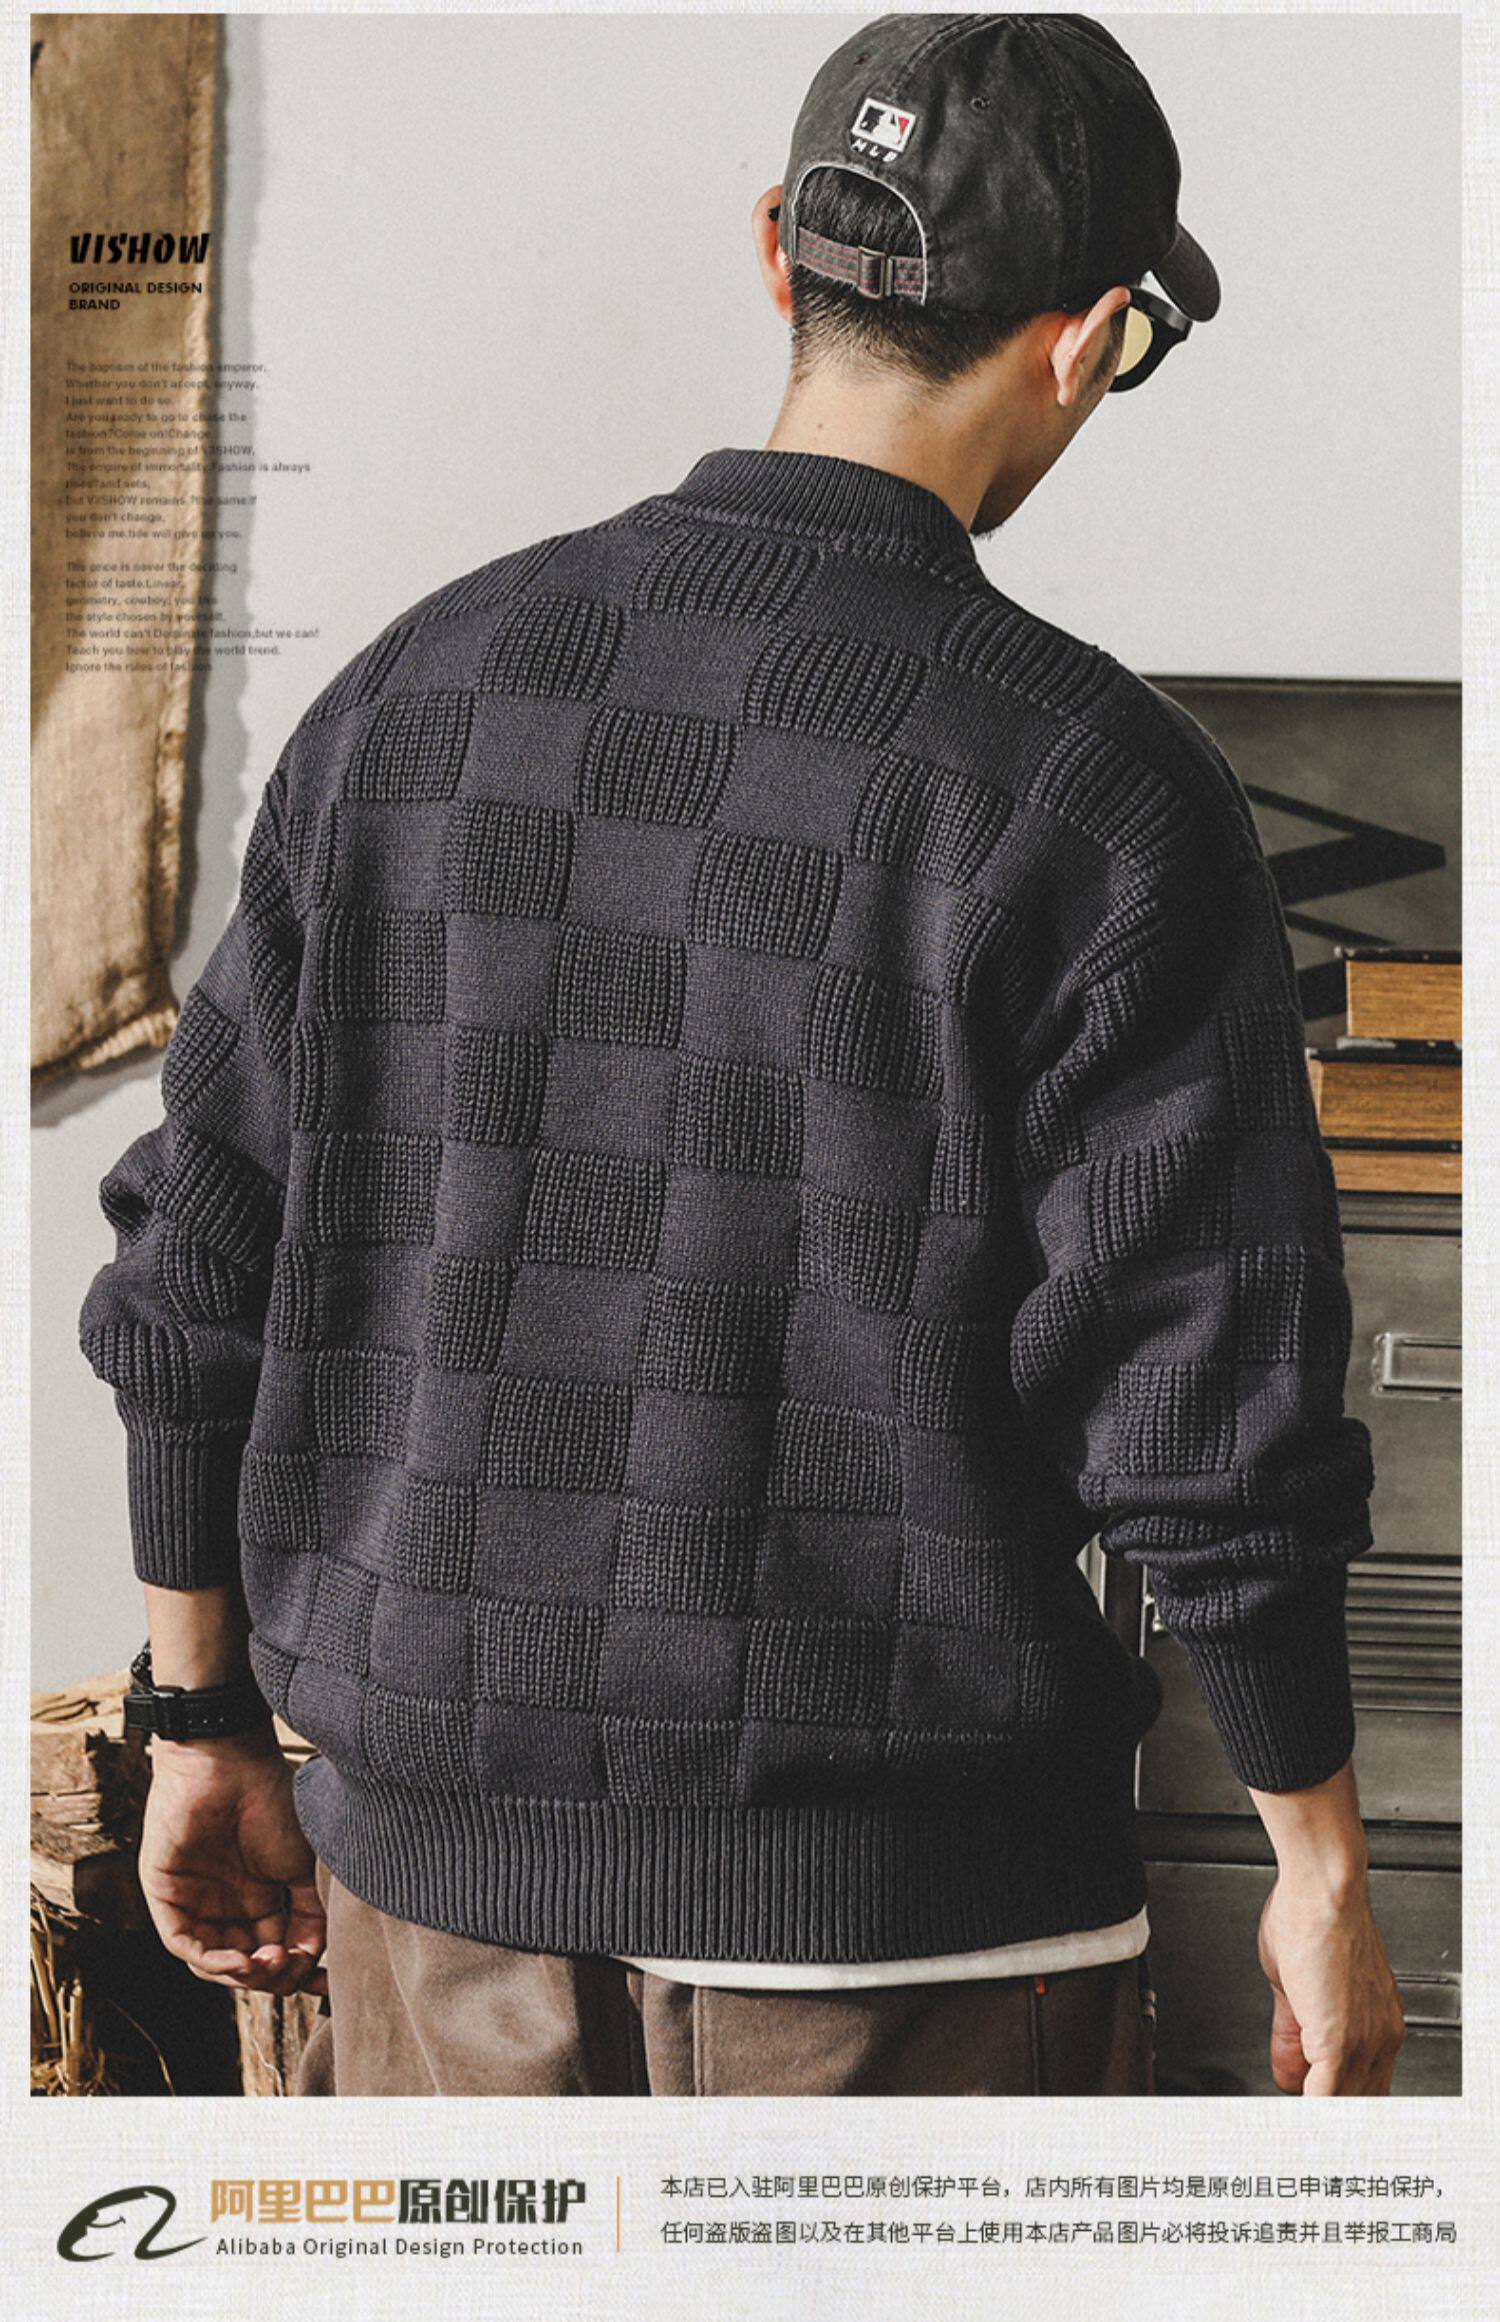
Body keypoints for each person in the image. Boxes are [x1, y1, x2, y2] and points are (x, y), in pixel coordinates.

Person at [79, 13, 1408, 2099]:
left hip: (432, 1921)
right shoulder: (1100, 792)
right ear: (1084, 346)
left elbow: (195, 1268)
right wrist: (1318, 1861)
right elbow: (1206, 1407)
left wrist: (198, 1717)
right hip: (915, 1943)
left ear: (781, 249)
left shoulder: (412, 703)